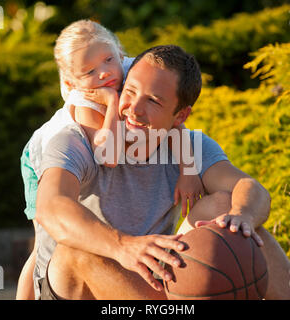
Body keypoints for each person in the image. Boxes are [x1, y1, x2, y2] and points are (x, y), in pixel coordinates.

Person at [34, 44, 290, 300]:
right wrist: (122, 246)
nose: (134, 109)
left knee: (230, 211)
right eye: (129, 92)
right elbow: (51, 207)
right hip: (77, 287)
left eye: (153, 101)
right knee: (76, 252)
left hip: (154, 280)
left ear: (180, 116)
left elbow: (250, 188)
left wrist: (243, 216)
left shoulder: (189, 146)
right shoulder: (77, 139)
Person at [17, 20, 203, 299]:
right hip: (39, 157)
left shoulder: (131, 70)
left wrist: (189, 169)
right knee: (48, 242)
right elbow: (110, 157)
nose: (104, 73)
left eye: (108, 59)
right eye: (90, 71)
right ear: (72, 82)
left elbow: (176, 120)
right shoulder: (85, 101)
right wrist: (112, 103)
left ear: (119, 51)